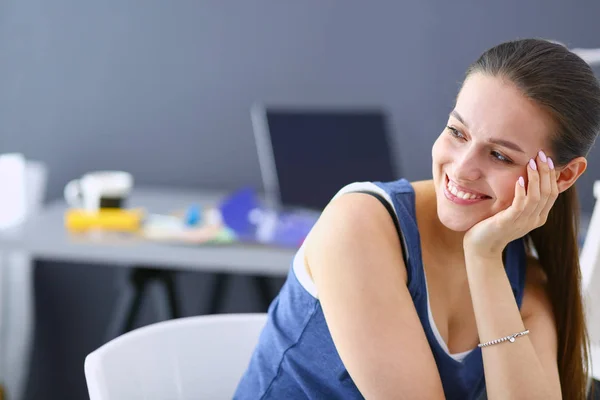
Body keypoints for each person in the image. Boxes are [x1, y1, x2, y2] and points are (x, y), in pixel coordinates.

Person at [234, 38, 600, 399]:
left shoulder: (527, 281)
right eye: (457, 133)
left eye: (500, 156)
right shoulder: (360, 224)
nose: (461, 168)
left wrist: (484, 258)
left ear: (563, 177)